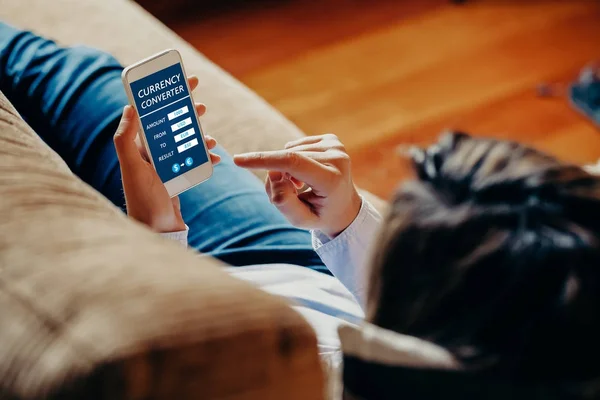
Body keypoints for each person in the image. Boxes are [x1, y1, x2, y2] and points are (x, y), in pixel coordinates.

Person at [3, 23, 600, 392]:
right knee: (76, 79)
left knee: (66, 84)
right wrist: (344, 220)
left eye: (397, 232)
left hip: (214, 289)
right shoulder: (548, 320)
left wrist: (158, 228)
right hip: (296, 264)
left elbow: (203, 364)